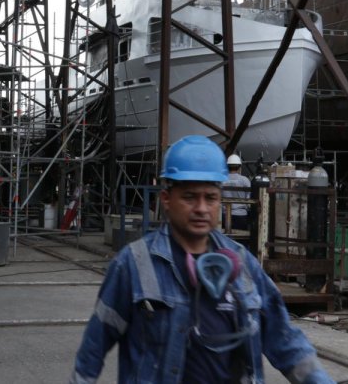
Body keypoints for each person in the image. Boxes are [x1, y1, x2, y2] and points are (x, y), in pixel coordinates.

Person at [70, 136, 334, 384]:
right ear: (166, 199)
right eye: (189, 197)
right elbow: (94, 345)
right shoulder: (133, 264)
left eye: (210, 197)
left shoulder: (243, 264)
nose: (201, 208)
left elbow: (285, 340)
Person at [221, 153, 250, 233]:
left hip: (225, 214)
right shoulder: (245, 180)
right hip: (241, 215)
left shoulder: (222, 179)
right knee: (241, 237)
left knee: (226, 238)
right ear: (239, 166)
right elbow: (249, 198)